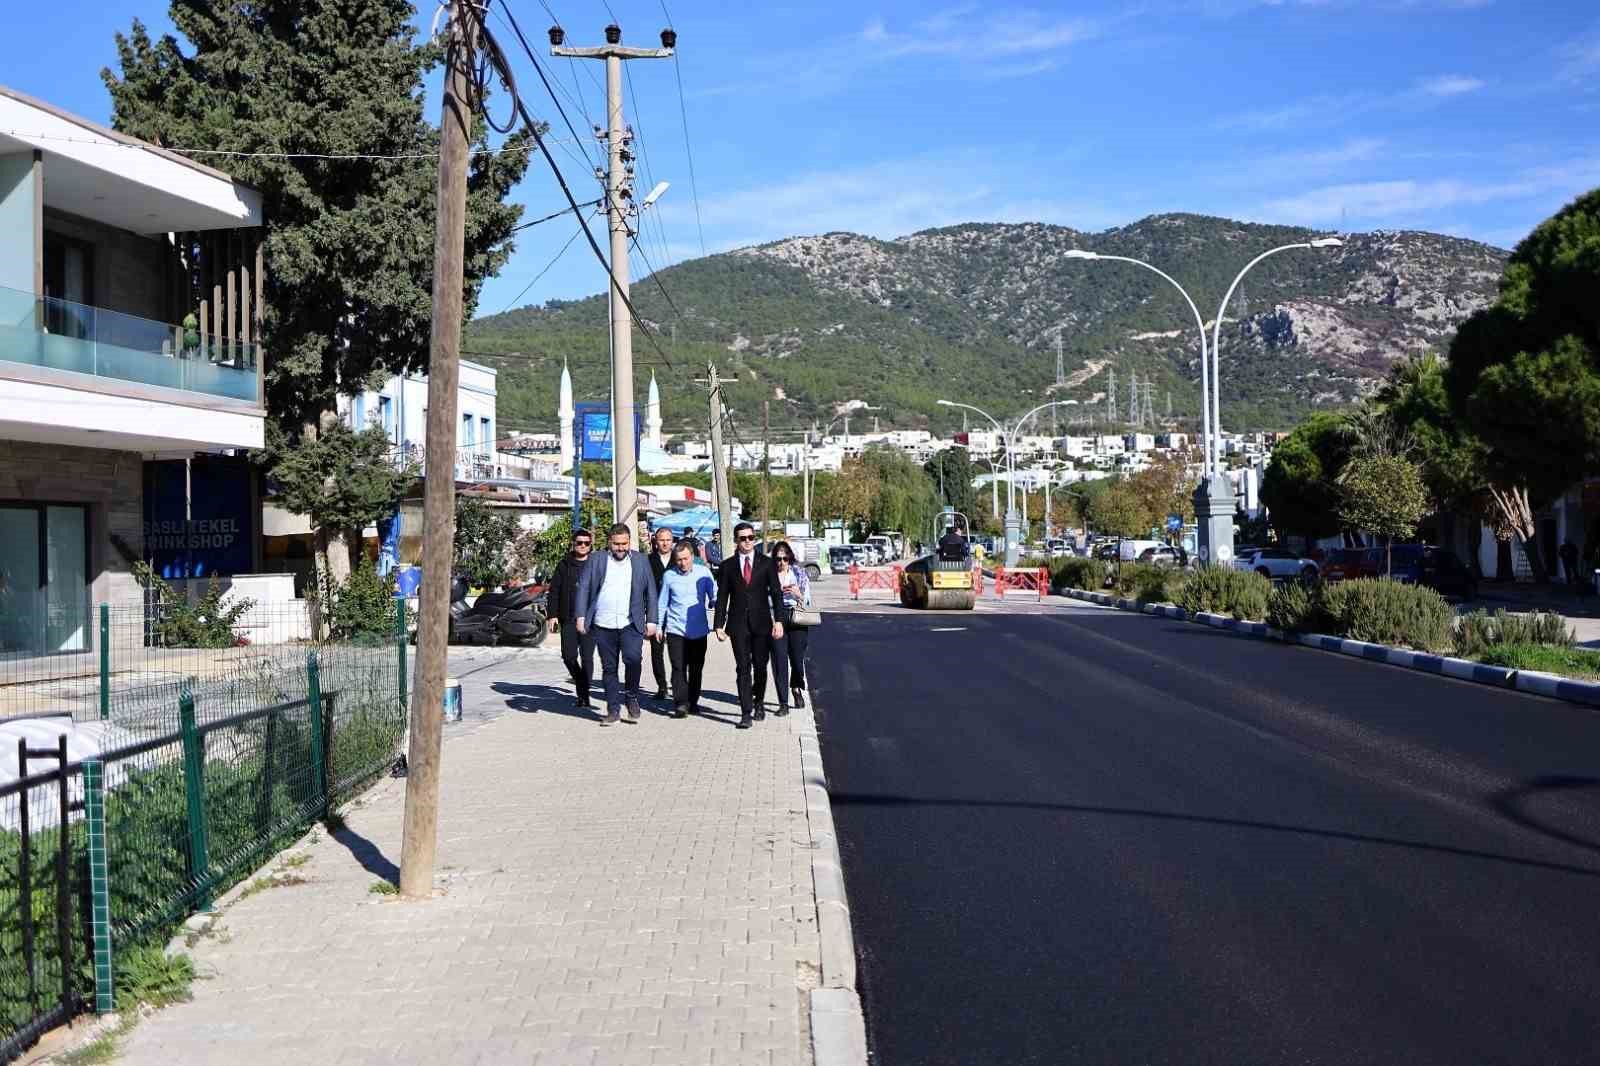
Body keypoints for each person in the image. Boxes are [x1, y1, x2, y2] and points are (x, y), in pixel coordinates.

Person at [575, 523, 659, 726]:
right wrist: (580, 616)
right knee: (609, 667)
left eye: (625, 543)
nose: (621, 548)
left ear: (629, 541)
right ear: (609, 543)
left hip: (631, 622)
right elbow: (584, 587)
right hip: (603, 624)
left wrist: (652, 620)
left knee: (633, 660)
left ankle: (631, 697)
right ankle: (613, 710)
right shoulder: (596, 560)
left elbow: (651, 591)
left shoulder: (640, 560)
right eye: (617, 544)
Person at [713, 522, 785, 729]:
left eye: (751, 538)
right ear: (736, 540)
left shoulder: (766, 563)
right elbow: (722, 597)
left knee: (760, 667)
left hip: (762, 624)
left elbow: (777, 594)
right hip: (738, 626)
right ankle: (745, 712)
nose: (747, 542)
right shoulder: (727, 566)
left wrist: (778, 621)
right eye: (743, 538)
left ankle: (759, 703)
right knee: (743, 667)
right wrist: (719, 624)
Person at [655, 541, 717, 717]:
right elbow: (662, 603)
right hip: (676, 629)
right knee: (678, 667)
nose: (682, 563)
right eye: (679, 560)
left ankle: (693, 700)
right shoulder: (669, 576)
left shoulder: (703, 573)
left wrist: (715, 602)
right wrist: (659, 626)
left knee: (696, 668)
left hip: (698, 630)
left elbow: (714, 594)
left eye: (685, 559)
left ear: (692, 557)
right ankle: (681, 703)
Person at [545, 527, 596, 709]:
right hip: (568, 618)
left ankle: (583, 695)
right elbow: (554, 591)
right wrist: (552, 615)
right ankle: (582, 684)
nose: (582, 546)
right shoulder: (564, 565)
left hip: (590, 619)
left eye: (586, 543)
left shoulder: (595, 563)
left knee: (587, 657)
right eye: (579, 543)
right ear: (573, 544)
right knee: (568, 656)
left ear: (590, 545)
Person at [768, 540, 813, 711]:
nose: (781, 562)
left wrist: (798, 594)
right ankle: (783, 703)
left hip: (797, 617)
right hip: (776, 617)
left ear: (790, 558)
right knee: (779, 660)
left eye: (785, 559)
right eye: (778, 559)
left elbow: (808, 600)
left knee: (796, 658)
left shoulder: (799, 573)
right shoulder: (769, 574)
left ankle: (796, 687)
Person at [646, 526, 676, 701]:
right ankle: (662, 686)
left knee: (676, 651)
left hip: (675, 612)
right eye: (661, 540)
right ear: (655, 542)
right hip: (654, 611)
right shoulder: (648, 560)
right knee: (656, 651)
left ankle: (677, 681)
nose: (665, 543)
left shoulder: (679, 559)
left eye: (668, 540)